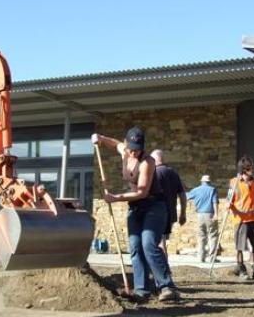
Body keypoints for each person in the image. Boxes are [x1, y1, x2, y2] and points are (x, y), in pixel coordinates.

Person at [91, 127, 180, 303]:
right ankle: (141, 291)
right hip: (135, 207)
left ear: (142, 147)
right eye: (131, 148)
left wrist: (115, 198)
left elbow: (142, 192)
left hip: (154, 205)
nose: (133, 152)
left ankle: (167, 286)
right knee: (135, 246)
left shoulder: (148, 162)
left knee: (148, 243)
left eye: (137, 149)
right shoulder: (125, 151)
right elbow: (114, 143)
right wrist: (100, 138)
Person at [228, 155, 254, 281]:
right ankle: (241, 269)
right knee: (240, 246)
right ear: (244, 169)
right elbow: (229, 201)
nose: (253, 170)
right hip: (240, 219)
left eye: (253, 167)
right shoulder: (234, 182)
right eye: (250, 168)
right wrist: (229, 206)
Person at [150, 150, 187, 256]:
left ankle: (163, 270)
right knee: (161, 241)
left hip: (157, 212)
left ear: (155, 159)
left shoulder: (155, 173)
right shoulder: (173, 173)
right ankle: (163, 269)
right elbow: (182, 194)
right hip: (170, 213)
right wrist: (183, 213)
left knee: (159, 242)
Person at [186, 174, 219, 263]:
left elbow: (187, 197)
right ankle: (212, 258)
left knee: (201, 236)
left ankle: (201, 257)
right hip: (210, 214)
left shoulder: (196, 190)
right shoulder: (212, 190)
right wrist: (216, 214)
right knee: (213, 235)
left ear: (201, 181)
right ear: (209, 182)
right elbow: (214, 202)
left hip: (200, 214)